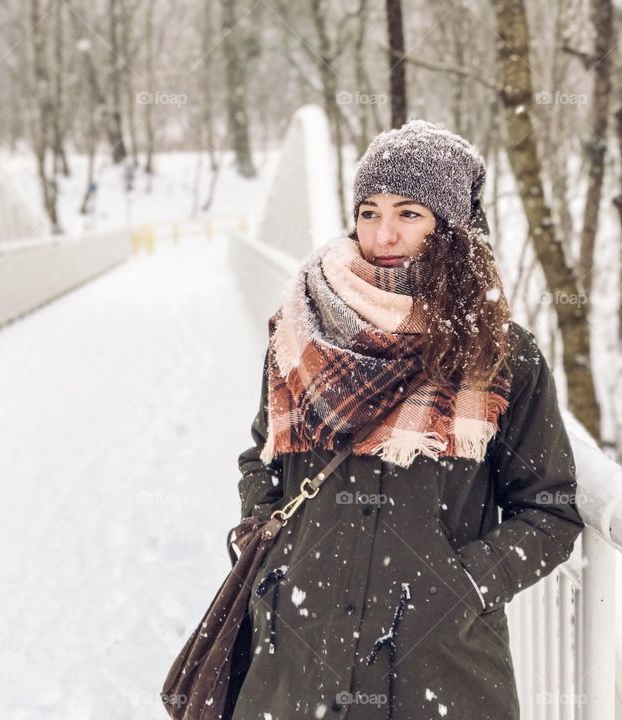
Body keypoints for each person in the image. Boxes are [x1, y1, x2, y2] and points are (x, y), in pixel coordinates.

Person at [227, 120, 585, 720]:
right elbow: (263, 457)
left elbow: (549, 509)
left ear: (453, 229)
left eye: (409, 213)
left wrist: (461, 587)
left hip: (438, 669)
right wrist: (274, 558)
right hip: (300, 649)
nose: (382, 233)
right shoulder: (301, 329)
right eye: (368, 211)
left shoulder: (499, 355)